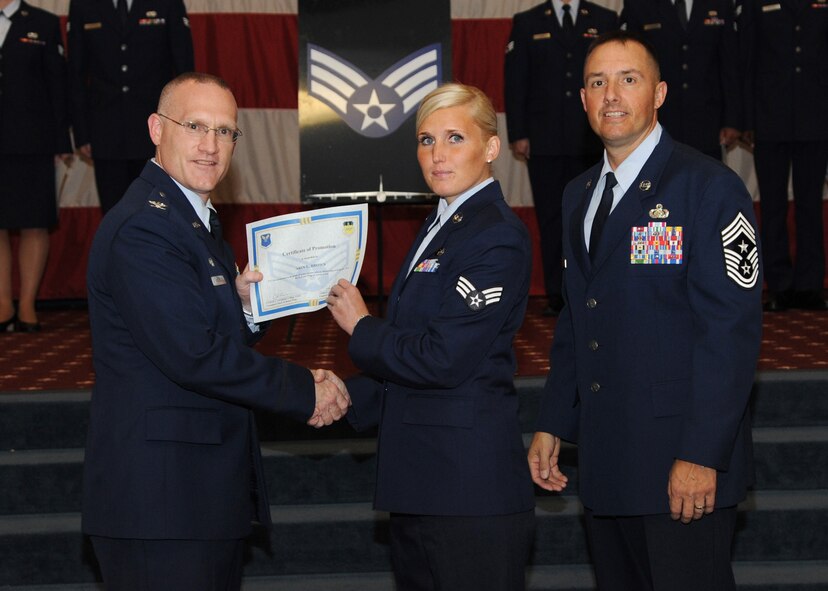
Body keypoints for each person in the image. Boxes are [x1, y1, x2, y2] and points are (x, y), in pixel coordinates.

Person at [83, 72, 351, 589]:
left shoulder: (192, 221)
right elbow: (193, 354)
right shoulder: (146, 227)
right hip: (159, 505)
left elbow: (194, 331)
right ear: (157, 129)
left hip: (192, 497)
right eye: (195, 126)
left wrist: (242, 308)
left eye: (226, 131)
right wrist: (303, 391)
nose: (211, 145)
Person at [528, 32, 761, 591]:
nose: (611, 95)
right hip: (608, 461)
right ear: (582, 99)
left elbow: (729, 334)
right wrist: (555, 419)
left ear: (658, 94)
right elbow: (577, 316)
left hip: (680, 465)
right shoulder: (578, 194)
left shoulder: (709, 188)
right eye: (596, 82)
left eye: (627, 80)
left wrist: (702, 454)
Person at [327, 83, 536, 591]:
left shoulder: (496, 236)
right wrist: (339, 397)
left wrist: (361, 325)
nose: (437, 155)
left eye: (454, 138)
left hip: (468, 491)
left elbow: (442, 358)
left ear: (490, 148)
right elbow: (410, 353)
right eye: (425, 140)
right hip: (422, 484)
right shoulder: (441, 225)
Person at [504, 0, 618, 316]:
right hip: (544, 140)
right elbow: (516, 80)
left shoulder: (604, 18)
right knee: (552, 219)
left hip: (591, 140)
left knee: (597, 217)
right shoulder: (527, 21)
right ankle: (558, 292)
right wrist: (518, 133)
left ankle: (596, 287)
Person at [739, 0, 828, 311]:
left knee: (810, 206)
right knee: (773, 207)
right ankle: (779, 286)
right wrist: (747, 122)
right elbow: (747, 60)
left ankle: (810, 286)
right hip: (769, 120)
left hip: (815, 119)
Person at [67, 0, 194, 214]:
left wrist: (183, 128)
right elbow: (76, 74)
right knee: (114, 215)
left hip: (157, 131)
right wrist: (82, 132)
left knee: (158, 214)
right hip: (105, 131)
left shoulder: (168, 3)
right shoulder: (84, 4)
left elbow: (184, 71)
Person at [0, 0, 72, 333]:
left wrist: (62, 140)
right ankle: (2, 304)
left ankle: (27, 303)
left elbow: (57, 82)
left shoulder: (42, 22)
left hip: (32, 142)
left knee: (33, 223)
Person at [620, 0, 742, 160]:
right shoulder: (639, 5)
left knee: (706, 181)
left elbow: (729, 66)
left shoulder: (719, 4)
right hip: (658, 121)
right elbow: (632, 68)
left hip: (707, 121)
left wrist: (732, 120)